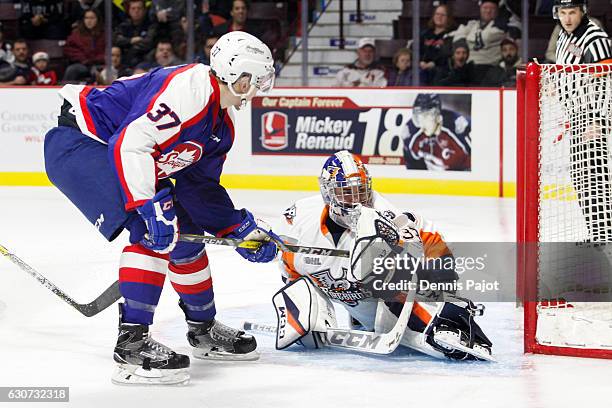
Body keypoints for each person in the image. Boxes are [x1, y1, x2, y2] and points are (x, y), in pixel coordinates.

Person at [43, 31, 278, 386]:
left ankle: (204, 330)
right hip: (82, 141)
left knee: (186, 236)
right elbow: (129, 145)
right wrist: (151, 207)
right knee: (152, 231)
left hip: (119, 151)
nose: (259, 86)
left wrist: (236, 228)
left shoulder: (220, 124)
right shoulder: (189, 90)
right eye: (255, 78)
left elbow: (198, 187)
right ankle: (132, 345)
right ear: (236, 73)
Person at [272, 150, 492, 360]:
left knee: (393, 276)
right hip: (345, 295)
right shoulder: (299, 219)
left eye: (362, 190)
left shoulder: (385, 216)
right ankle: (340, 316)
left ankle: (437, 320)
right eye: (347, 192)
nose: (357, 200)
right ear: (328, 192)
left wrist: (441, 289)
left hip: (380, 302)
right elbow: (287, 267)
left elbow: (431, 240)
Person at [552, 0, 612, 242]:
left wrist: (598, 120)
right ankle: (598, 232)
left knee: (595, 176)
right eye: (563, 13)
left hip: (591, 118)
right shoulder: (563, 36)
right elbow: (565, 71)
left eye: (572, 13)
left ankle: (605, 233)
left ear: (582, 12)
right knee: (582, 177)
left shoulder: (595, 38)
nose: (567, 19)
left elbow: (605, 82)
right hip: (575, 116)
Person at [452, 0, 521, 84]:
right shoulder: (472, 24)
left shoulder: (502, 27)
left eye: (492, 8)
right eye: (485, 8)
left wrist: (469, 38)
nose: (488, 11)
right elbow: (458, 36)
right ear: (480, 9)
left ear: (497, 10)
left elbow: (487, 37)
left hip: (489, 67)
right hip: (469, 67)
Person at [401, 93, 471, 171]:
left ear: (438, 117)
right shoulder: (411, 133)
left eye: (426, 116)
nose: (422, 124)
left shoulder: (457, 127)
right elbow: (412, 166)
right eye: (418, 117)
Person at [63, 9, 106, 84]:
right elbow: (69, 49)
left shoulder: (105, 34)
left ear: (98, 19)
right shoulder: (76, 34)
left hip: (102, 64)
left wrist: (96, 59)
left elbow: (109, 51)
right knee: (72, 70)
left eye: (92, 18)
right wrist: (84, 60)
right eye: (86, 18)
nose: (89, 21)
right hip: (84, 65)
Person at [113, 0, 158, 68]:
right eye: (133, 8)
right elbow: (115, 39)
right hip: (124, 62)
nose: (136, 11)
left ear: (144, 10)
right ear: (129, 11)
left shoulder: (151, 25)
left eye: (139, 8)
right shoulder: (124, 25)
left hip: (144, 60)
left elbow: (148, 43)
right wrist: (131, 40)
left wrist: (127, 45)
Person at [419, 4, 455, 85]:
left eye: (443, 15)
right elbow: (415, 50)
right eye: (437, 14)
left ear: (448, 18)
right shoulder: (425, 34)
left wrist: (433, 63)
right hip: (422, 66)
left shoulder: (451, 34)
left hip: (439, 69)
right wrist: (420, 62)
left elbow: (448, 54)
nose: (439, 17)